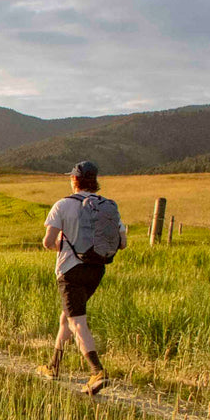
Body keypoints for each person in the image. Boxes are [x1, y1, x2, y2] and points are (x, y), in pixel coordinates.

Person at [38, 160, 127, 394]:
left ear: (74, 180)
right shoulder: (107, 206)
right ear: (94, 182)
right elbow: (123, 242)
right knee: (66, 317)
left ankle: (97, 371)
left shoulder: (63, 205)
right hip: (97, 268)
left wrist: (62, 245)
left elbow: (48, 242)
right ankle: (53, 367)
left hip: (70, 270)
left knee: (77, 321)